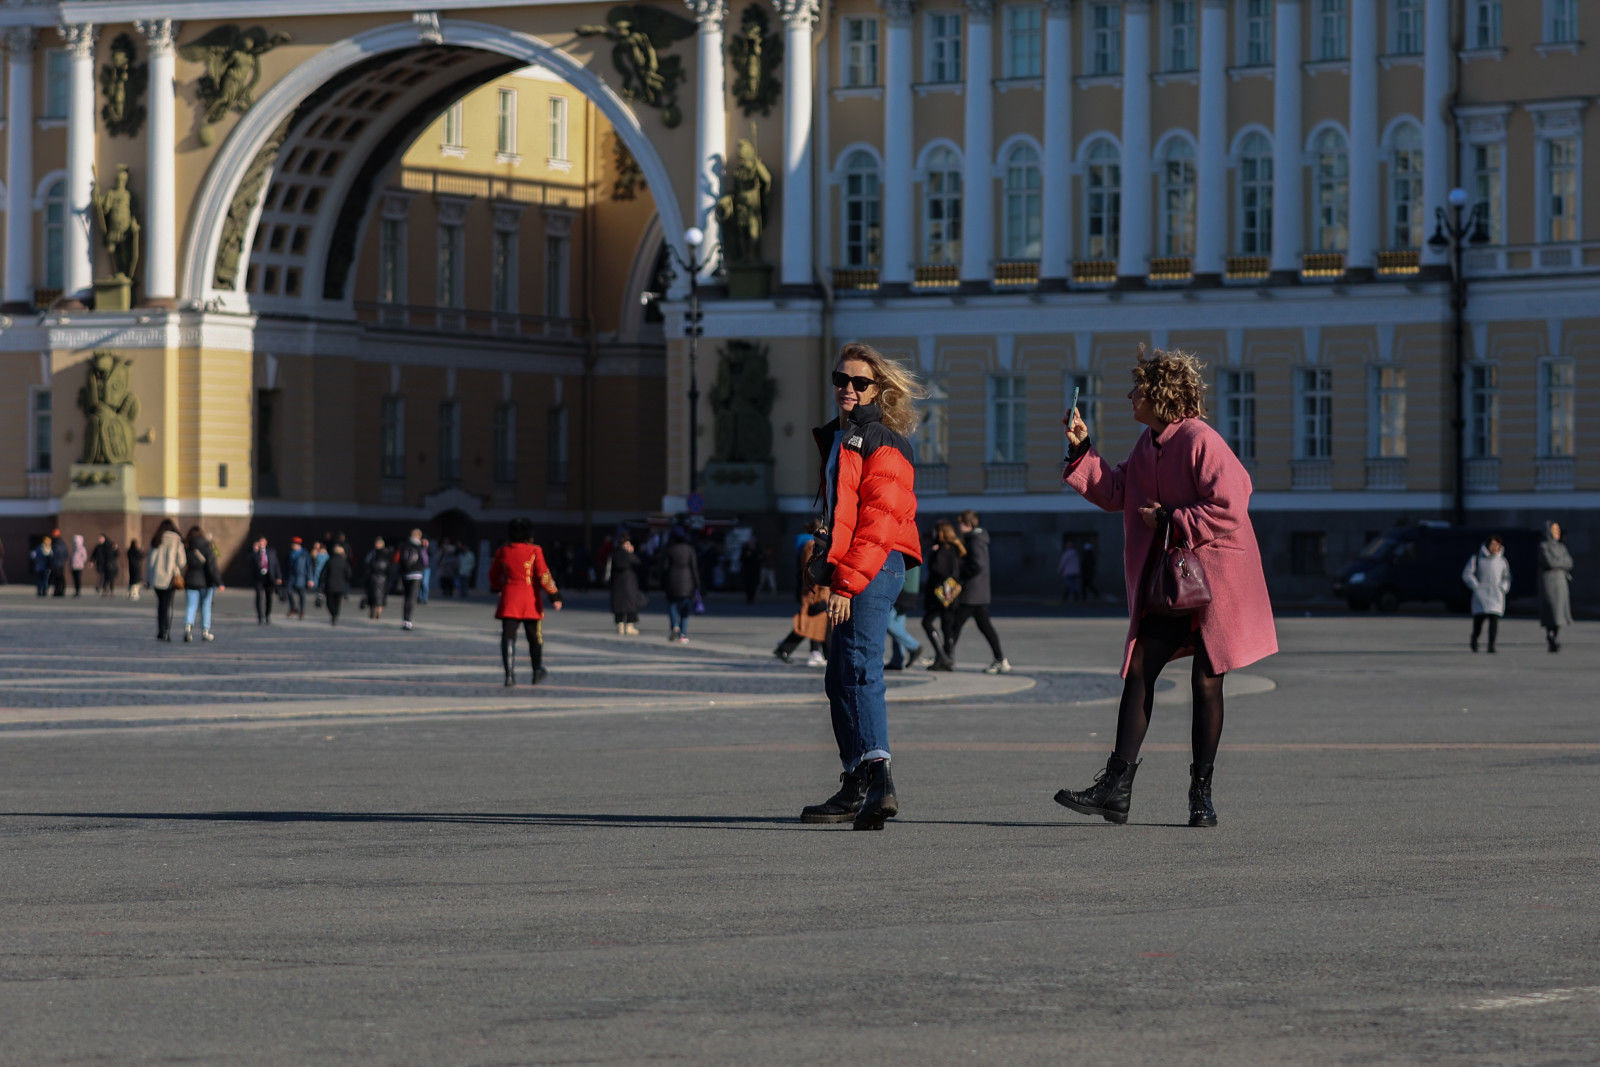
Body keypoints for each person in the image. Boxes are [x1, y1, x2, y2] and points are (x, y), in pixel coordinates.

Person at [1055, 346, 1277, 828]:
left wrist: (1173, 518)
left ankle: (1201, 795)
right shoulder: (1147, 443)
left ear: (1160, 395)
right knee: (1139, 669)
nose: (1130, 394)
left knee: (1206, 680)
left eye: (1138, 387)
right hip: (1171, 580)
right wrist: (1081, 448)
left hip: (1216, 581)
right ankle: (1115, 789)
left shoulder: (1201, 439)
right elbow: (1117, 493)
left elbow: (1233, 503)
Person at [800, 342, 923, 831]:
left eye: (860, 382)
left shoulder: (881, 438)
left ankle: (879, 780)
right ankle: (856, 782)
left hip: (874, 566)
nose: (848, 389)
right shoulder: (843, 437)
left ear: (879, 388)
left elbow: (881, 520)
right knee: (838, 677)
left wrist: (847, 583)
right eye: (841, 379)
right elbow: (841, 513)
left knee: (859, 667)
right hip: (853, 565)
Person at [489, 518, 563, 685]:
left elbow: (493, 574)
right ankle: (536, 670)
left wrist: (496, 587)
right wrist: (554, 595)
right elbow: (544, 575)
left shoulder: (503, 551)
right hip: (530, 599)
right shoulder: (535, 550)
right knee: (535, 638)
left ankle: (509, 675)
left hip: (509, 598)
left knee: (508, 637)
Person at [945, 511, 1009, 673]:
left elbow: (977, 565)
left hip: (972, 593)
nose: (958, 527)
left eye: (960, 523)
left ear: (968, 524)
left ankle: (945, 658)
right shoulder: (976, 539)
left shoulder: (974, 541)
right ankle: (1000, 659)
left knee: (955, 626)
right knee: (983, 627)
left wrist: (961, 573)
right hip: (977, 593)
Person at [774, 527, 831, 666]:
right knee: (811, 623)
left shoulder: (809, 545)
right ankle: (814, 652)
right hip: (816, 593)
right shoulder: (811, 545)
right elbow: (814, 569)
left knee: (815, 624)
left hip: (816, 592)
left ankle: (817, 652)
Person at [920, 520, 965, 672]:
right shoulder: (956, 548)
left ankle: (942, 656)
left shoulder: (942, 550)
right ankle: (948, 657)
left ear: (940, 533)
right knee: (947, 625)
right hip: (952, 593)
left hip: (939, 594)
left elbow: (938, 570)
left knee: (927, 622)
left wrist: (933, 553)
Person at [1462, 535, 1511, 654]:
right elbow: (1467, 574)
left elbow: (1507, 577)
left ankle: (1491, 645)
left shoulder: (1502, 561)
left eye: (1497, 545)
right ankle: (1474, 638)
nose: (1495, 547)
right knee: (1479, 621)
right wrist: (1475, 586)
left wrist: (1503, 588)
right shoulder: (1477, 559)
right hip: (1481, 594)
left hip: (1496, 594)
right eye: (1493, 544)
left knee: (1494, 620)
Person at [146, 519, 187, 642]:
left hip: (157, 578)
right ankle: (166, 632)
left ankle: (160, 631)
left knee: (161, 605)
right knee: (168, 605)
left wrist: (149, 577)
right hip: (170, 578)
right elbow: (182, 561)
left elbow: (150, 561)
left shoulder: (156, 539)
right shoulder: (176, 540)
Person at [659, 530, 701, 643]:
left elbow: (665, 568)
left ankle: (675, 626)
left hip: (672, 581)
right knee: (685, 609)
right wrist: (697, 584)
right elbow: (694, 568)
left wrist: (662, 582)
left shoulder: (670, 550)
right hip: (687, 583)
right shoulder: (689, 550)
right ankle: (683, 634)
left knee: (672, 605)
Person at [1538, 521, 1574, 653]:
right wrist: (1561, 563)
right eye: (1554, 530)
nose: (1557, 532)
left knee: (1560, 612)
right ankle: (1550, 635)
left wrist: (1560, 563)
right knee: (1551, 610)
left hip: (1561, 582)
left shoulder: (1561, 547)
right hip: (1549, 582)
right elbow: (1550, 562)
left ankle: (1555, 637)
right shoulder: (1543, 546)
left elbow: (1569, 562)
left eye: (1558, 529)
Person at [182, 526, 222, 642]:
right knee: (206, 606)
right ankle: (205, 631)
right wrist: (219, 582)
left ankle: (188, 628)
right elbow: (212, 566)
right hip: (206, 581)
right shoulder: (207, 546)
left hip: (190, 580)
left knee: (191, 605)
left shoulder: (187, 546)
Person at [885, 557, 923, 670]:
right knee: (898, 623)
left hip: (903, 591)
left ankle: (914, 646)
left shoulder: (904, 553)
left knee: (889, 624)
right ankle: (898, 659)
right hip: (909, 591)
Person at [609, 536, 646, 634]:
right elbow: (638, 563)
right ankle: (629, 626)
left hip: (617, 582)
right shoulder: (628, 555)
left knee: (619, 604)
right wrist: (631, 552)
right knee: (630, 604)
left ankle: (620, 625)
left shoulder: (615, 554)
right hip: (629, 581)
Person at [249, 536, 283, 623]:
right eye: (260, 542)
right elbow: (249, 561)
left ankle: (267, 615)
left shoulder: (271, 552)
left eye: (263, 542)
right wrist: (254, 550)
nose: (261, 543)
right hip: (259, 578)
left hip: (269, 577)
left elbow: (276, 565)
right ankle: (260, 616)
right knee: (259, 597)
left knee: (269, 597)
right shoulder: (255, 553)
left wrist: (278, 577)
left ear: (266, 542)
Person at [398, 529, 428, 630]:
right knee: (412, 598)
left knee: (406, 598)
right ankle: (409, 621)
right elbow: (425, 561)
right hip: (416, 574)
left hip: (406, 574)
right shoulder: (420, 546)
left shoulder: (404, 545)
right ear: (419, 536)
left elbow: (400, 560)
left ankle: (405, 620)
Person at [319, 542, 352, 624]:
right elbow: (349, 574)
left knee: (329, 602)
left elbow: (323, 573)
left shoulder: (329, 561)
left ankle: (333, 614)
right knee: (337, 602)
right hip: (340, 585)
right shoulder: (344, 562)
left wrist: (321, 582)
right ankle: (335, 615)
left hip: (330, 585)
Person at [364, 537, 390, 619]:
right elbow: (389, 566)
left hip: (373, 576)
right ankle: (379, 611)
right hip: (383, 578)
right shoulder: (387, 553)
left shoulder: (372, 553)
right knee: (381, 596)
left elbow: (366, 563)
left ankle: (372, 611)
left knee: (372, 595)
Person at [284, 537, 310, 619]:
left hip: (301, 576)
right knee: (288, 591)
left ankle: (302, 611)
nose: (293, 546)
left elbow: (308, 566)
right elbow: (286, 565)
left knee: (301, 594)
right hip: (291, 576)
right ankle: (293, 608)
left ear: (298, 545)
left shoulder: (304, 553)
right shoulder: (290, 553)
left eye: (295, 545)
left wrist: (310, 579)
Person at [1058, 536, 1082, 602]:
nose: (1067, 545)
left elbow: (1062, 562)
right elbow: (1077, 563)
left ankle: (1075, 595)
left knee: (1070, 584)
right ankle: (1065, 596)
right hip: (1074, 572)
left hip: (1069, 571)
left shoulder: (1067, 553)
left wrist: (1060, 570)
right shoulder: (1075, 553)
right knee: (1070, 584)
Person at [310, 541, 329, 610]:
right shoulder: (314, 553)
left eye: (317, 546)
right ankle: (319, 600)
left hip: (322, 572)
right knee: (318, 587)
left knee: (321, 587)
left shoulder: (324, 554)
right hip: (317, 572)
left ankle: (319, 600)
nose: (316, 547)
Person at [49, 531, 68, 596]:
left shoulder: (55, 544)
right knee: (60, 578)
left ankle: (58, 591)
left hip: (56, 564)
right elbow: (66, 554)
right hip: (61, 564)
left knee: (57, 578)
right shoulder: (63, 544)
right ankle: (60, 591)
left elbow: (53, 555)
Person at [418, 537, 433, 604]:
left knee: (425, 583)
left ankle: (425, 598)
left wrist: (427, 546)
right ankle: (419, 598)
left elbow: (431, 554)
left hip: (426, 568)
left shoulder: (428, 549)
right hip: (419, 567)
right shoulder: (418, 548)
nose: (424, 542)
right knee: (419, 583)